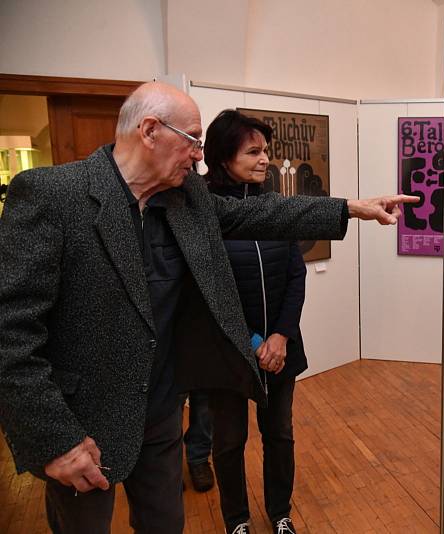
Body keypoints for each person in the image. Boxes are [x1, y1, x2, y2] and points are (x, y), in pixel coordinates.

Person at [0, 81, 418, 534]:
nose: (200, 155)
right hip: (83, 423)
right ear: (150, 130)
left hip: (160, 413)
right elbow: (10, 332)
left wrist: (352, 208)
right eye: (193, 139)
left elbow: (260, 215)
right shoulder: (51, 195)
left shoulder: (185, 197)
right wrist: (54, 438)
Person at [201, 109, 309, 534]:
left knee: (279, 434)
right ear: (224, 157)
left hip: (281, 350)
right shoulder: (205, 214)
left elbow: (295, 276)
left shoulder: (275, 207)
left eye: (266, 150)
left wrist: (280, 336)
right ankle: (236, 521)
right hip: (228, 351)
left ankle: (280, 513)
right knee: (228, 442)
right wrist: (248, 340)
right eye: (253, 151)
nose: (265, 159)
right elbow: (206, 288)